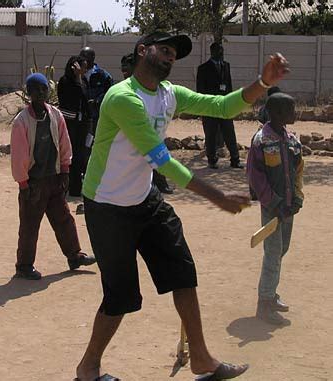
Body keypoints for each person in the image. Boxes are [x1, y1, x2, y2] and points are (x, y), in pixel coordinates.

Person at [75, 32, 289, 381]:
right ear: (143, 50)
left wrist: (264, 81)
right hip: (108, 206)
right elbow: (162, 161)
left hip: (144, 200)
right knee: (121, 297)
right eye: (164, 50)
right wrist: (216, 196)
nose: (170, 57)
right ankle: (88, 368)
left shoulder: (168, 95)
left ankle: (201, 358)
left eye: (174, 54)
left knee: (182, 273)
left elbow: (223, 106)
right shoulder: (122, 98)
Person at [10, 73, 96, 280]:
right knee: (30, 225)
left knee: (64, 219)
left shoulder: (55, 115)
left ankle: (74, 256)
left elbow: (64, 143)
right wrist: (23, 183)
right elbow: (19, 156)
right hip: (33, 182)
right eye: (35, 90)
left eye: (44, 89)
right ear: (28, 93)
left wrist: (65, 171)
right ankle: (24, 265)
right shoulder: (21, 122)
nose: (40, 93)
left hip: (55, 178)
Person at [247, 93, 304, 325]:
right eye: (291, 110)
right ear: (277, 113)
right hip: (273, 209)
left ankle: (271, 293)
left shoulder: (291, 139)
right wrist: (274, 202)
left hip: (289, 208)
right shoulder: (262, 140)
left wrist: (298, 198)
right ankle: (265, 303)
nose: (294, 113)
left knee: (282, 249)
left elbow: (298, 169)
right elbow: (255, 176)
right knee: (273, 253)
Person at [121, 53, 174, 195]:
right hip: (130, 135)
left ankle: (160, 184)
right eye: (123, 66)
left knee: (156, 157)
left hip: (151, 131)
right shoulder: (122, 90)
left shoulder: (150, 88)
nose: (124, 69)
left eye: (127, 65)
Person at [196, 42, 243, 169]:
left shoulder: (226, 66)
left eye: (222, 51)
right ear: (212, 52)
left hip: (225, 105)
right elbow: (200, 90)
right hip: (210, 107)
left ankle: (235, 159)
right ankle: (212, 160)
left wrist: (232, 103)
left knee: (229, 133)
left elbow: (229, 86)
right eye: (218, 51)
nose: (221, 53)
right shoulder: (203, 68)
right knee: (210, 134)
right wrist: (203, 107)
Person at [58, 55, 89, 198]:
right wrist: (77, 79)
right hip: (69, 123)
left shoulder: (84, 81)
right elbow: (72, 98)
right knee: (68, 154)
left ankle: (76, 187)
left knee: (80, 154)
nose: (85, 69)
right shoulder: (65, 82)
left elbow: (85, 98)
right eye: (82, 66)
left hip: (82, 124)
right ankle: (65, 186)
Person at [79, 46, 114, 130]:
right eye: (81, 56)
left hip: (98, 116)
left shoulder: (102, 75)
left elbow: (110, 93)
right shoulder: (77, 74)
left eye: (85, 56)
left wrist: (97, 101)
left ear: (93, 57)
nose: (83, 59)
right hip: (82, 117)